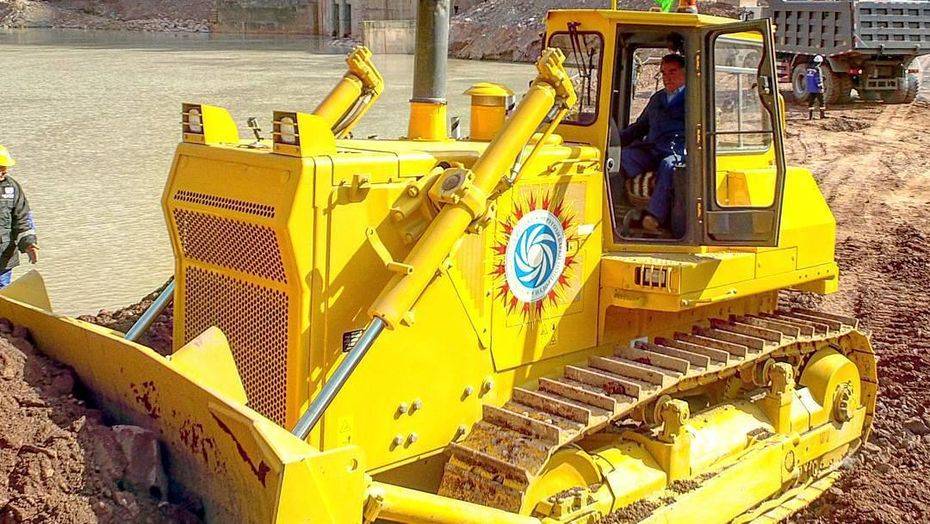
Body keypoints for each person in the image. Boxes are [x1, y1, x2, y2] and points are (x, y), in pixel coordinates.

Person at [618, 53, 687, 232]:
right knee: (621, 158)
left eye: (672, 72)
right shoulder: (657, 98)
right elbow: (640, 126)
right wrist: (615, 141)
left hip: (677, 151)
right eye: (664, 73)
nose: (667, 77)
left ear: (685, 73)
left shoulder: (693, 99)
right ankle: (618, 210)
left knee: (668, 165)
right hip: (653, 149)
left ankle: (654, 217)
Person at [0, 146, 38, 288]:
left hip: (3, 258)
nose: (4, 171)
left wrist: (29, 244)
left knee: (3, 292)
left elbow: (23, 218)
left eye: (5, 167)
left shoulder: (12, 187)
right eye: (0, 167)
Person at [806, 55, 826, 120]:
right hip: (817, 89)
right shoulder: (818, 69)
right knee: (822, 102)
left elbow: (810, 78)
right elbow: (818, 79)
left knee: (811, 102)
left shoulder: (809, 69)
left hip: (811, 88)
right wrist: (820, 87)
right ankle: (822, 115)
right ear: (820, 62)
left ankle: (810, 116)